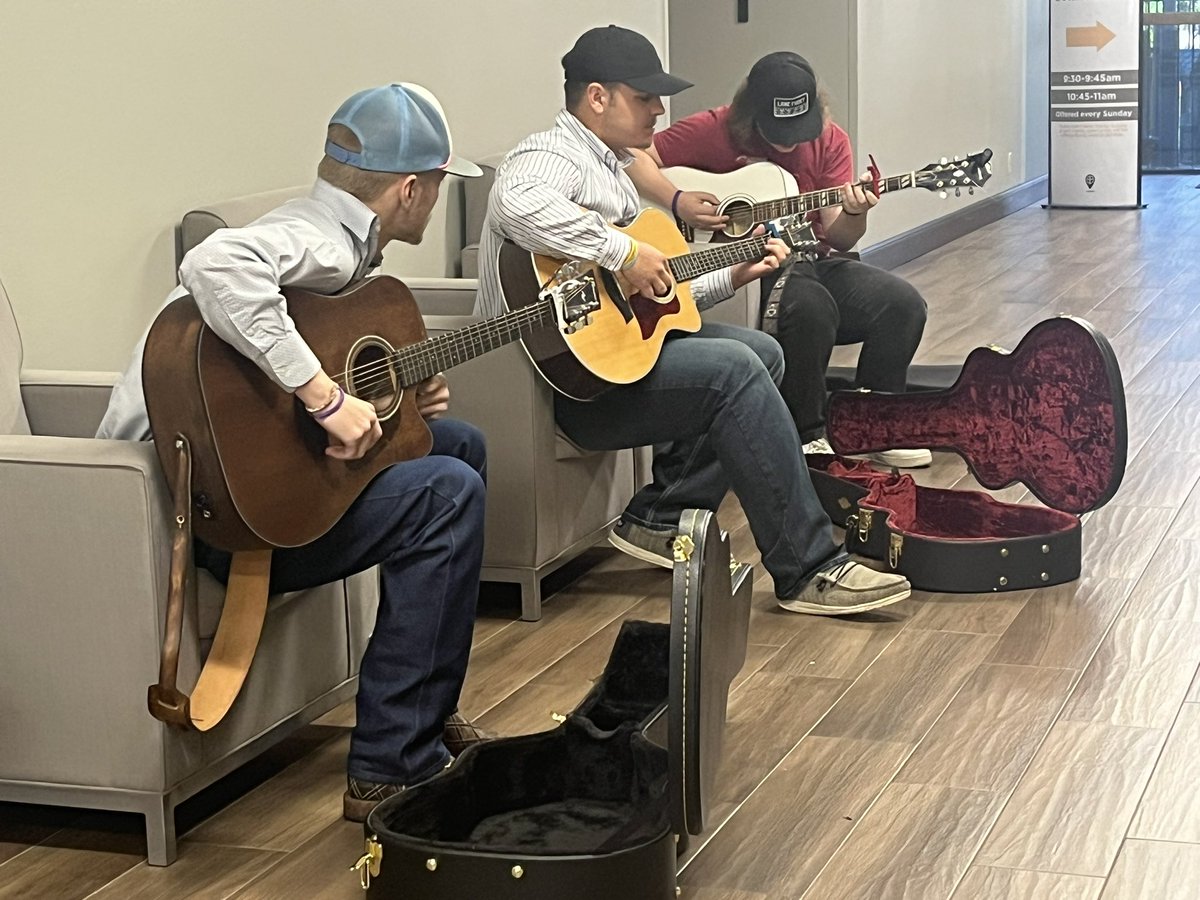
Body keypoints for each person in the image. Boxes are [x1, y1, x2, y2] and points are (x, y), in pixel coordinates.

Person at [97, 83, 490, 822]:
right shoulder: (318, 237)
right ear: (409, 189)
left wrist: (398, 403)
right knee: (448, 494)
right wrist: (325, 398)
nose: (436, 200)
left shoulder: (337, 247)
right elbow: (213, 268)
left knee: (456, 447)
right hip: (200, 507)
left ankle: (427, 717)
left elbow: (317, 347)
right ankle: (387, 766)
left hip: (242, 478)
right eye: (437, 186)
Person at [475, 25, 911, 616]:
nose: (660, 109)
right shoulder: (553, 155)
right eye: (645, 96)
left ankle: (659, 514)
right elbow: (516, 202)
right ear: (597, 97)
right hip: (563, 380)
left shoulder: (614, 170)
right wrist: (624, 253)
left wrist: (734, 274)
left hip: (602, 362)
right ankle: (806, 567)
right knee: (734, 368)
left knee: (765, 352)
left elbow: (652, 299)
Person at [627, 51, 932, 468]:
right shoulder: (712, 129)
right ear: (749, 114)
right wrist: (677, 200)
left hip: (810, 257)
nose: (789, 141)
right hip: (749, 265)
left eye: (798, 128)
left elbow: (840, 238)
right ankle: (807, 439)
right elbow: (634, 157)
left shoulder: (830, 139)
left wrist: (857, 211)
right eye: (777, 130)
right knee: (810, 307)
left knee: (902, 304)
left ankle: (874, 426)